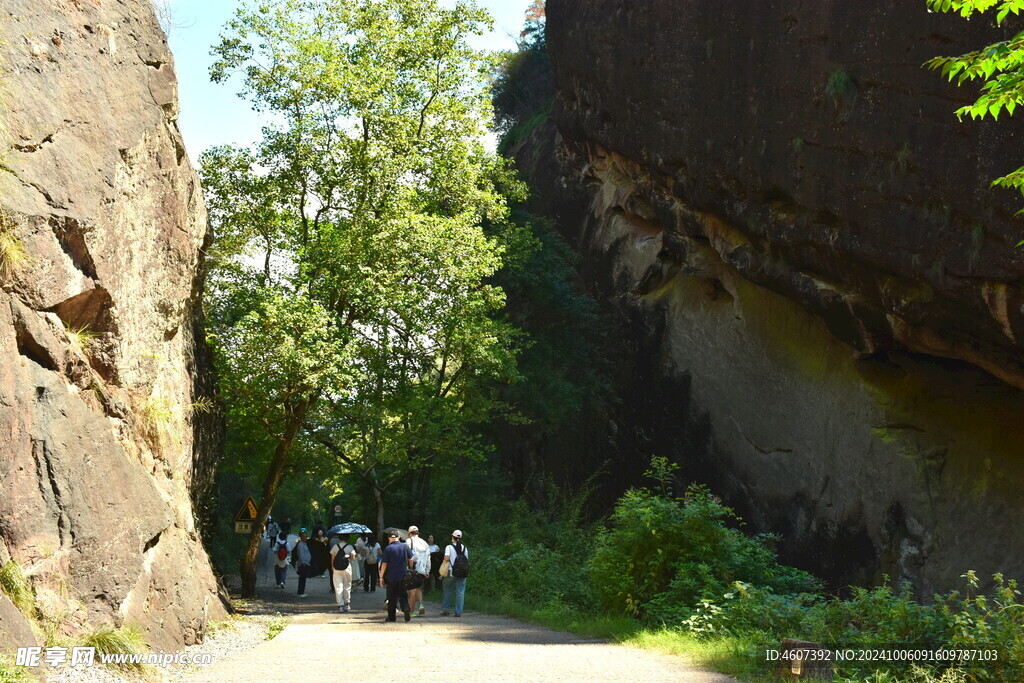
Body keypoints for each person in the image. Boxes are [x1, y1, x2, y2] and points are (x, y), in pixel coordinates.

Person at [379, 531, 413, 622]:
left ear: (389, 538)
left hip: (392, 576)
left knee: (392, 597)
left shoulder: (388, 549)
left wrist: (381, 577)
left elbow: (384, 564)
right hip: (403, 576)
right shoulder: (405, 546)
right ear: (398, 537)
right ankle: (406, 608)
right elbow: (411, 559)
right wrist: (410, 568)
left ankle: (391, 617)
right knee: (403, 595)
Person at [439, 529, 468, 617]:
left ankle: (445, 610)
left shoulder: (449, 547)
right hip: (462, 573)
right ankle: (458, 612)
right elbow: (466, 560)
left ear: (453, 537)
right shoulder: (465, 548)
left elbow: (447, 559)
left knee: (447, 590)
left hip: (451, 572)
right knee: (460, 592)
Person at [405, 526, 430, 616]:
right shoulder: (424, 543)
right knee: (418, 588)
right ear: (418, 533)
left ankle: (412, 611)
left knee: (412, 590)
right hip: (422, 569)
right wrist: (427, 571)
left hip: (413, 569)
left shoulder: (408, 541)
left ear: (409, 533)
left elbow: (406, 556)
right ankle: (421, 605)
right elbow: (428, 558)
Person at [330, 535, 357, 613]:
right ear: (347, 539)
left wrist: (332, 567)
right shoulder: (350, 546)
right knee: (347, 586)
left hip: (336, 568)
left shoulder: (335, 546)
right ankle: (347, 604)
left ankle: (340, 605)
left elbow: (332, 558)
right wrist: (348, 556)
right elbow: (353, 558)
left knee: (338, 586)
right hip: (347, 568)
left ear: (339, 539)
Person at [293, 530, 312, 597]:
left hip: (306, 562)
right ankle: (300, 592)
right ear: (301, 537)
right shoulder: (300, 545)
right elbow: (301, 554)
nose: (305, 538)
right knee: (302, 578)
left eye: (306, 537)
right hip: (303, 564)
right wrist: (303, 562)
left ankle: (302, 591)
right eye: (304, 537)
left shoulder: (304, 543)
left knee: (303, 578)